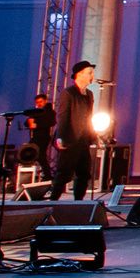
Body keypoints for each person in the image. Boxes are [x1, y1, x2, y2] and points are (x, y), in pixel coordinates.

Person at [51, 60, 99, 201]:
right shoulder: (68, 93)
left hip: (83, 140)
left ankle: (78, 202)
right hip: (70, 140)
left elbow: (88, 116)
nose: (93, 75)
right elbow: (63, 116)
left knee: (84, 173)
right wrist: (61, 137)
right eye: (90, 72)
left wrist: (91, 135)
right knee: (64, 174)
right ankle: (52, 202)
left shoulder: (89, 94)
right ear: (79, 74)